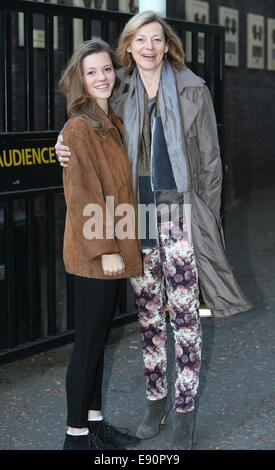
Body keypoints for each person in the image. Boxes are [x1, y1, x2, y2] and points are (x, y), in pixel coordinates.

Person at [56, 11, 252, 450]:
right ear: (128, 45)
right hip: (134, 220)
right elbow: (89, 123)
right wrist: (61, 144)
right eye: (140, 39)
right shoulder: (118, 87)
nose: (149, 47)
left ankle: (184, 411)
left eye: (157, 40)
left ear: (167, 45)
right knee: (148, 318)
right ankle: (155, 400)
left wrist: (209, 224)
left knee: (184, 318)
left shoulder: (192, 89)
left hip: (179, 214)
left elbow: (211, 164)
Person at [58, 39, 142, 451]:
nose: (101, 77)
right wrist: (106, 249)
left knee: (97, 342)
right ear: (80, 79)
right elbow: (83, 194)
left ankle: (94, 425)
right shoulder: (79, 127)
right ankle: (75, 438)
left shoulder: (110, 122)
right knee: (87, 345)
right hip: (94, 254)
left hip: (111, 249)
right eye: (91, 72)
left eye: (106, 69)